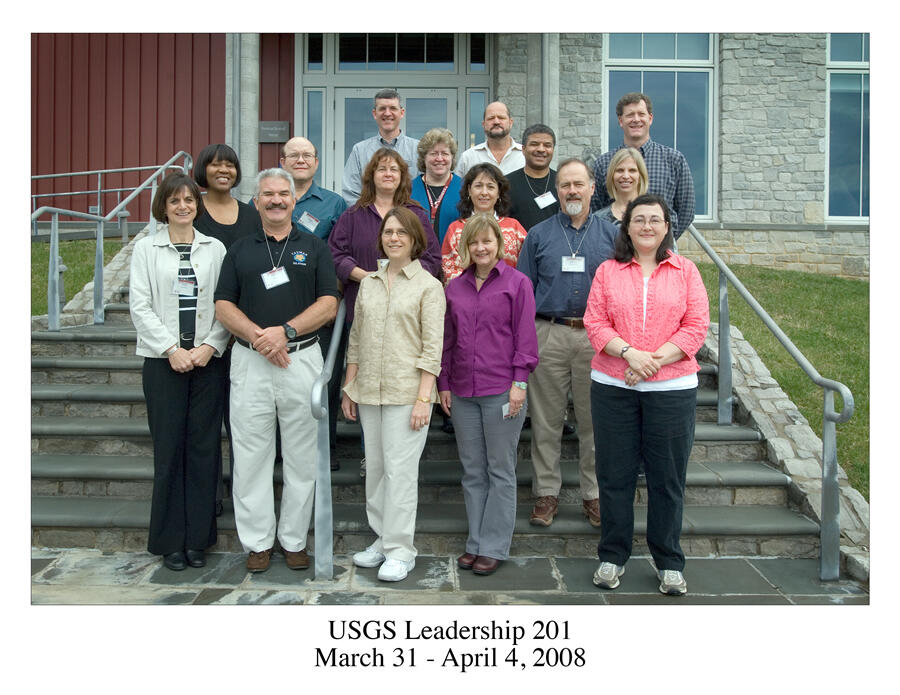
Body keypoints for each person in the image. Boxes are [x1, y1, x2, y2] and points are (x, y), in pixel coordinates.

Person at [214, 168, 340, 573]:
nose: (276, 200)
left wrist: (285, 332)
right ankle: (257, 542)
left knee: (303, 457)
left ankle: (293, 540)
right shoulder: (239, 249)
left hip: (301, 359)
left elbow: (330, 303)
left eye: (283, 194)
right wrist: (258, 337)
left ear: (292, 199)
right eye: (268, 194)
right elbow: (222, 305)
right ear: (257, 201)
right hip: (251, 362)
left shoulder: (314, 246)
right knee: (251, 455)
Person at [583, 193, 709, 596]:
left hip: (671, 390)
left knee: (666, 478)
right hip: (613, 387)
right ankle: (612, 557)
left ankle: (669, 561)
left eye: (655, 220)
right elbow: (596, 321)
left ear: (667, 226)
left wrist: (652, 361)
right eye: (639, 220)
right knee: (614, 476)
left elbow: (696, 325)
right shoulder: (607, 270)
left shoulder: (686, 271)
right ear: (627, 226)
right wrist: (630, 355)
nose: (647, 227)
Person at [129, 173, 230, 571]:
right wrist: (172, 349)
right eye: (175, 201)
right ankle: (171, 541)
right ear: (163, 207)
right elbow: (140, 306)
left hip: (208, 363)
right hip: (163, 364)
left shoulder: (215, 248)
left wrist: (208, 346)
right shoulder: (146, 249)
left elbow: (226, 301)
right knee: (170, 449)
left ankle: (198, 540)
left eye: (189, 199)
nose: (184, 206)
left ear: (197, 204)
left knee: (204, 451)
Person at [341, 207, 446, 582]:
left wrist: (423, 398)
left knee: (400, 473)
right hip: (369, 389)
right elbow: (356, 339)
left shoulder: (429, 286)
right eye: (388, 232)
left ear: (415, 239)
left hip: (407, 393)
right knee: (377, 470)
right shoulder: (369, 282)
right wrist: (349, 386)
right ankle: (383, 539)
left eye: (402, 232)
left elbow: (432, 348)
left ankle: (402, 550)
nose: (394, 238)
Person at [516, 158, 618, 528]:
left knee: (595, 423)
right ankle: (546, 493)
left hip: (598, 338)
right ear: (557, 190)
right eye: (565, 185)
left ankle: (594, 496)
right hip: (550, 333)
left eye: (579, 184)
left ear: (593, 187)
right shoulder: (538, 235)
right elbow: (524, 291)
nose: (572, 191)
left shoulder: (611, 236)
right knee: (546, 420)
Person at [438, 214, 538, 576]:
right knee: (473, 471)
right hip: (463, 390)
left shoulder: (518, 284)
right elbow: (447, 342)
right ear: (466, 247)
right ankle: (475, 542)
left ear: (499, 244)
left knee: (500, 470)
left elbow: (526, 341)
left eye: (487, 242)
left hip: (502, 390)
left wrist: (519, 384)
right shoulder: (454, 289)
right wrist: (444, 383)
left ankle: (495, 546)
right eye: (474, 242)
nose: (481, 248)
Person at [192, 143, 260, 516]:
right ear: (204, 169)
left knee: (244, 424)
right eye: (216, 165)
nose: (223, 170)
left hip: (246, 332)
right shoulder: (192, 211)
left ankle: (243, 495)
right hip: (204, 329)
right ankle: (209, 496)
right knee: (207, 423)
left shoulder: (251, 215)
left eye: (230, 165)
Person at [280, 135, 349, 471]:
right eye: (293, 155)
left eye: (308, 154)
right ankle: (284, 450)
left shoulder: (334, 205)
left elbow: (341, 255)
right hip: (275, 308)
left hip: (318, 309)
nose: (301, 160)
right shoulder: (265, 200)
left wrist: (331, 299)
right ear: (283, 162)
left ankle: (325, 448)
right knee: (283, 381)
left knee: (325, 380)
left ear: (317, 162)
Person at [591, 92, 695, 239]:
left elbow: (686, 210)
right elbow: (596, 207)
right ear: (621, 120)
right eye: (630, 115)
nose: (636, 119)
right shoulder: (603, 163)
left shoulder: (674, 160)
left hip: (661, 251)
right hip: (614, 248)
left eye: (641, 114)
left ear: (650, 118)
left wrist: (663, 239)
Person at [440, 163, 527, 283]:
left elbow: (526, 268)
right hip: (469, 297)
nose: (484, 192)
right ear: (469, 190)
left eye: (490, 187)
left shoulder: (515, 228)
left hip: (509, 295)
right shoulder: (455, 229)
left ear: (498, 193)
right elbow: (449, 272)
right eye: (478, 186)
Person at [341, 89, 419, 206]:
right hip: (369, 221)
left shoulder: (418, 149)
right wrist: (369, 216)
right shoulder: (359, 150)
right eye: (382, 108)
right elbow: (350, 193)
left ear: (401, 113)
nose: (387, 113)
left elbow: (425, 190)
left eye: (393, 108)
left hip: (408, 220)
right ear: (374, 114)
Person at [410, 128, 463, 244]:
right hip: (416, 260)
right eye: (433, 153)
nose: (439, 159)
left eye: (445, 153)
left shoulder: (465, 189)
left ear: (452, 157)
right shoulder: (408, 190)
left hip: (456, 259)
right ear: (424, 158)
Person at [506, 124, 560, 231]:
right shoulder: (505, 184)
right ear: (523, 149)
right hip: (520, 246)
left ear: (553, 149)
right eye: (534, 144)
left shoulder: (564, 183)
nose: (541, 149)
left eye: (547, 145)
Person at [455, 101, 525, 177]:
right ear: (483, 124)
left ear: (510, 123)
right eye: (491, 118)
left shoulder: (525, 156)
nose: (496, 122)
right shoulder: (468, 158)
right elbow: (458, 188)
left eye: (501, 117)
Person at [594, 146, 648, 227]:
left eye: (632, 170)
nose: (626, 176)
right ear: (612, 175)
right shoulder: (598, 219)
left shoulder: (655, 214)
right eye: (620, 170)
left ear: (641, 176)